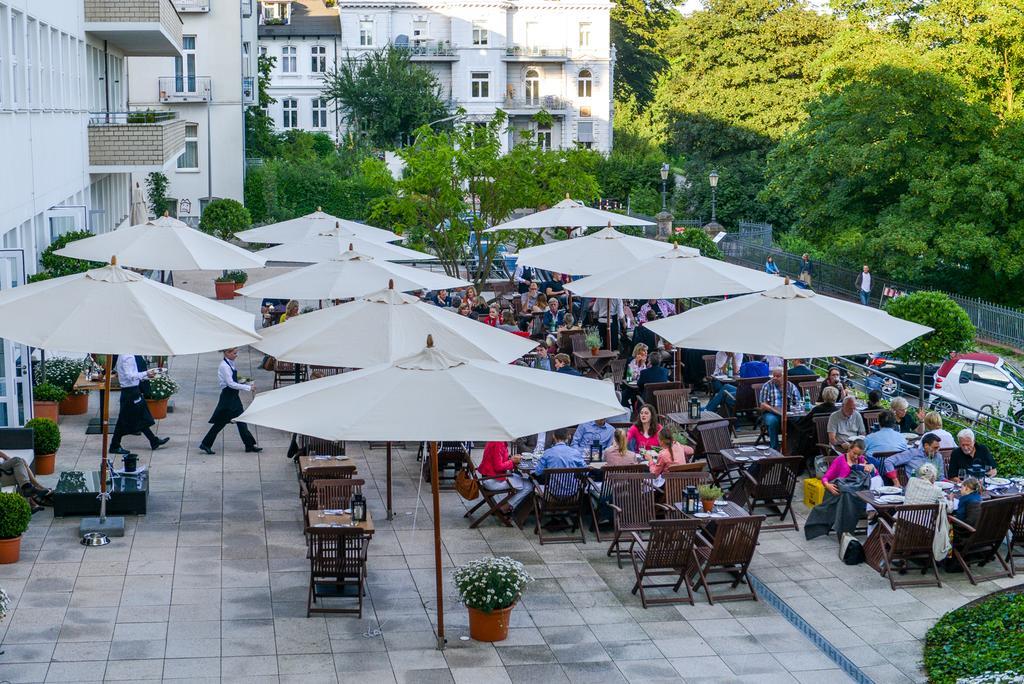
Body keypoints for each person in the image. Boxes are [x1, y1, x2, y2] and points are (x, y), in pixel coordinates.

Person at [198, 348, 261, 455]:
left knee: (241, 420)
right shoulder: (224, 366)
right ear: (227, 353)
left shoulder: (230, 364)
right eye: (234, 353)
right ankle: (205, 444)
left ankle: (249, 445)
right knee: (220, 423)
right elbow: (230, 383)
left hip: (233, 397)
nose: (236, 355)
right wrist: (247, 387)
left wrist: (243, 382)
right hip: (228, 398)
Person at [109, 354, 169, 455]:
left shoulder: (124, 355)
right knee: (123, 420)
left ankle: (153, 440)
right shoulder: (127, 357)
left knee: (140, 416)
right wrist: (146, 373)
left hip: (130, 391)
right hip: (130, 392)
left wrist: (145, 376)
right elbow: (130, 376)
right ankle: (114, 445)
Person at [903, 462, 953, 562]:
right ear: (933, 477)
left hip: (904, 526)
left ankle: (903, 558)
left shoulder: (911, 481)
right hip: (924, 531)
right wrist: (950, 500)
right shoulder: (937, 490)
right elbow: (949, 509)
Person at [477, 441, 533, 514]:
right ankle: (505, 508)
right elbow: (498, 467)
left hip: (490, 477)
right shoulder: (498, 443)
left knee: (522, 480)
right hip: (492, 480)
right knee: (528, 486)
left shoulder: (496, 440)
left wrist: (511, 458)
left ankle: (509, 506)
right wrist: (512, 461)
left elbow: (498, 459)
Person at [759, 367, 802, 450]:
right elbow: (763, 405)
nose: (775, 378)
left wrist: (788, 412)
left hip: (788, 412)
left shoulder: (791, 386)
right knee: (772, 421)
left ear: (784, 377)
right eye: (773, 376)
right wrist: (777, 411)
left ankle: (792, 447)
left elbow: (797, 403)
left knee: (797, 420)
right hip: (770, 412)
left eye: (778, 376)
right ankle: (774, 448)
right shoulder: (767, 386)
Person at [796, 385, 840, 458]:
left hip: (815, 438)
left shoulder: (817, 410)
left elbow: (803, 423)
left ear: (823, 396)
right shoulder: (837, 411)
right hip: (834, 438)